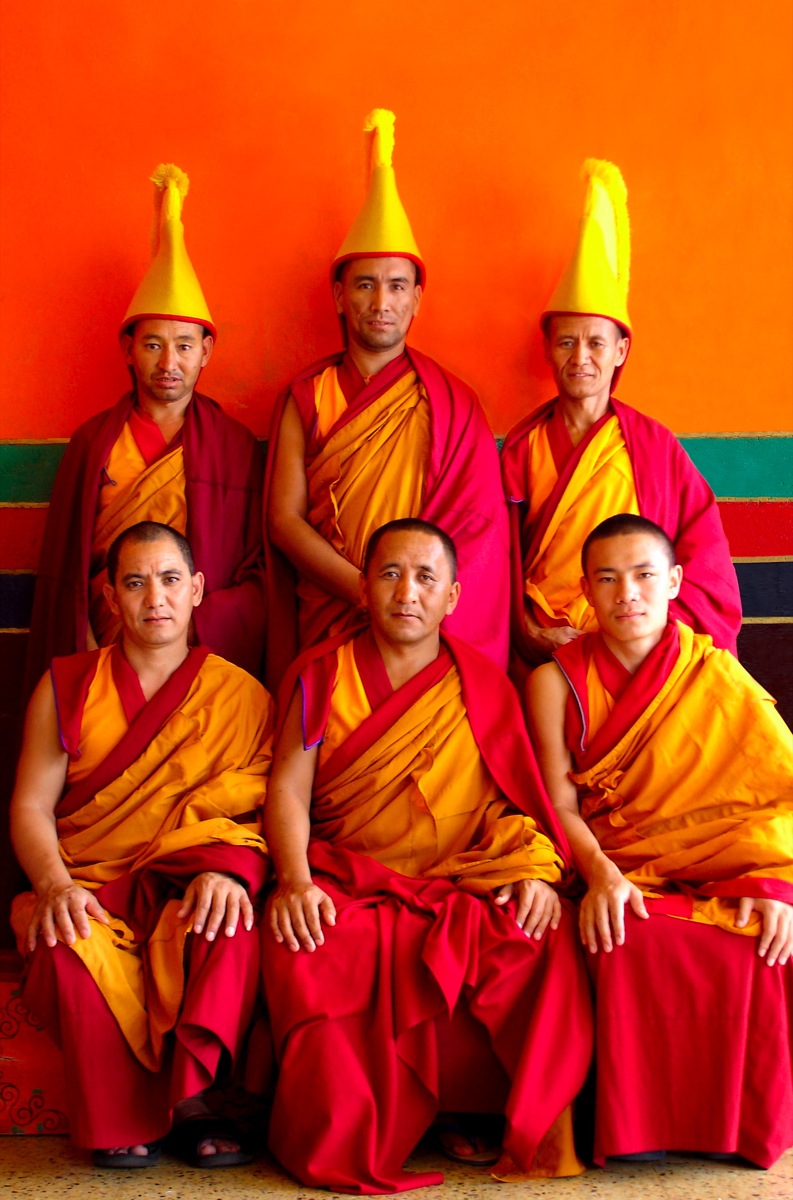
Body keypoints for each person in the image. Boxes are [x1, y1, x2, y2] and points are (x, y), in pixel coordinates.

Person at [260, 518, 593, 1192]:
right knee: (312, 945)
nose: (406, 592)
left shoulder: (483, 684)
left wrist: (531, 872)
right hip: (347, 880)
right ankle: (352, 1134)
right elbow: (288, 790)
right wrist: (294, 881)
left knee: (540, 937)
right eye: (389, 574)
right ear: (363, 588)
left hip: (458, 880)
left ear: (452, 597)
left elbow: (514, 801)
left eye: (424, 578)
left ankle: (484, 1113)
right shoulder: (321, 675)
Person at [526, 513, 793, 1167]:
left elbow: (776, 790)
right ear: (585, 590)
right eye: (607, 579)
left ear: (673, 582)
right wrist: (601, 876)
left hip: (723, 863)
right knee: (628, 932)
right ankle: (636, 1131)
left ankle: (735, 1128)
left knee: (759, 932)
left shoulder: (714, 674)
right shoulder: (553, 681)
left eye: (644, 575)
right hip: (614, 864)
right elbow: (558, 804)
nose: (628, 595)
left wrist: (772, 881)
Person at [11, 521, 273, 1169]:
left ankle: (193, 1103)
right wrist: (54, 885)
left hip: (181, 888)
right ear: (110, 596)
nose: (155, 598)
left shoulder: (241, 696)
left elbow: (257, 814)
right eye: (135, 583)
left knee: (230, 921)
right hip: (88, 887)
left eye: (170, 579)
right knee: (67, 940)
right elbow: (30, 805)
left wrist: (228, 871)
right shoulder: (69, 685)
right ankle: (122, 1116)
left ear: (197, 590)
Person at [265, 110, 509, 689]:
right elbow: (284, 520)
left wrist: (406, 596)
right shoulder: (307, 395)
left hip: (421, 617)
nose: (381, 302)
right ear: (338, 295)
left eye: (397, 286)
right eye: (365, 285)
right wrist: (362, 588)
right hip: (333, 607)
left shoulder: (453, 404)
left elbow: (476, 530)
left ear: (417, 298)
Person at [25, 163, 266, 693]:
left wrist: (195, 627)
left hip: (198, 646)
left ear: (207, 351)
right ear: (128, 349)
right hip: (104, 635)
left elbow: (256, 570)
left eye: (184, 346)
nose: (169, 363)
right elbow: (65, 570)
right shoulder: (94, 443)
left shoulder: (234, 447)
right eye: (153, 344)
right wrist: (86, 638)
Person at [501, 160, 741, 680]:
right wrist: (528, 631)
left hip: (638, 640)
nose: (580, 358)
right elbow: (497, 560)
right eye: (567, 342)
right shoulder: (522, 448)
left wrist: (647, 632)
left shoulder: (652, 447)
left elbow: (705, 558)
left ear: (620, 351)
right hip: (544, 645)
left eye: (596, 343)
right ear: (547, 348)